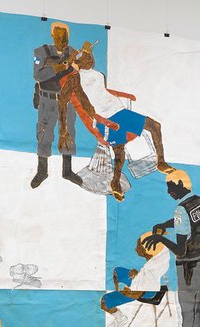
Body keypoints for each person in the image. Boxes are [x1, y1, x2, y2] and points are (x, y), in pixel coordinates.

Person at [63, 43, 171, 199]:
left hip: (119, 111)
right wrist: (99, 119)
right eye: (85, 56)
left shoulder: (98, 75)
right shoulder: (75, 79)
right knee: (119, 150)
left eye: (90, 55)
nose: (90, 58)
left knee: (155, 126)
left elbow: (103, 92)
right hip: (106, 118)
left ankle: (161, 162)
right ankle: (115, 182)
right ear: (77, 62)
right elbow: (84, 104)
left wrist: (122, 95)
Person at [146, 169, 200, 327]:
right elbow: (186, 223)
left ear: (181, 185)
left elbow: (181, 250)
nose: (169, 192)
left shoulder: (180, 209)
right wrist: (165, 225)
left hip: (190, 266)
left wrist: (160, 238)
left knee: (189, 305)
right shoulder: (198, 201)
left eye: (171, 187)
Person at [31, 21, 81, 187]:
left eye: (64, 37)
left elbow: (87, 65)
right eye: (58, 37)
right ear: (52, 36)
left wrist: (85, 56)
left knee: (68, 133)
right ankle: (42, 171)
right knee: (44, 133)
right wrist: (62, 67)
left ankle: (67, 171)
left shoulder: (72, 52)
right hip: (47, 100)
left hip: (67, 102)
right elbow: (38, 75)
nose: (61, 40)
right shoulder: (41, 52)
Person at [100, 232, 169, 327]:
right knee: (117, 271)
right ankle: (116, 291)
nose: (136, 249)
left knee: (104, 302)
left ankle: (121, 319)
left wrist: (128, 292)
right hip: (142, 281)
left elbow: (139, 292)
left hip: (145, 291)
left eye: (139, 247)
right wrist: (137, 274)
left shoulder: (148, 274)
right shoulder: (162, 254)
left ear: (146, 251)